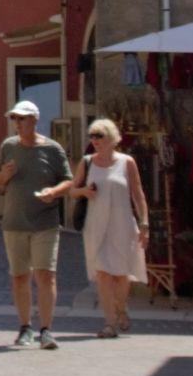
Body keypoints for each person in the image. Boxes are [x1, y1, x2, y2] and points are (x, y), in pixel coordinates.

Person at [40, 118, 149, 338]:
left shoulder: (127, 162)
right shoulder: (87, 162)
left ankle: (121, 308)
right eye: (92, 136)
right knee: (103, 274)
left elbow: (137, 194)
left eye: (100, 136)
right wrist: (84, 192)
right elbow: (72, 190)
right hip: (96, 226)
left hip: (122, 224)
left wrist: (145, 222)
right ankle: (109, 323)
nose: (95, 140)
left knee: (121, 275)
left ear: (112, 138)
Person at [0, 99, 72, 349]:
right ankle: (25, 327)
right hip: (14, 222)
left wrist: (54, 192)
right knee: (19, 276)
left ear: (35, 120)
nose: (18, 123)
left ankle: (46, 330)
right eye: (15, 119)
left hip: (45, 222)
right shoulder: (8, 146)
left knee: (46, 275)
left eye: (22, 118)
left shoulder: (53, 149)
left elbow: (68, 181)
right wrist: (4, 175)